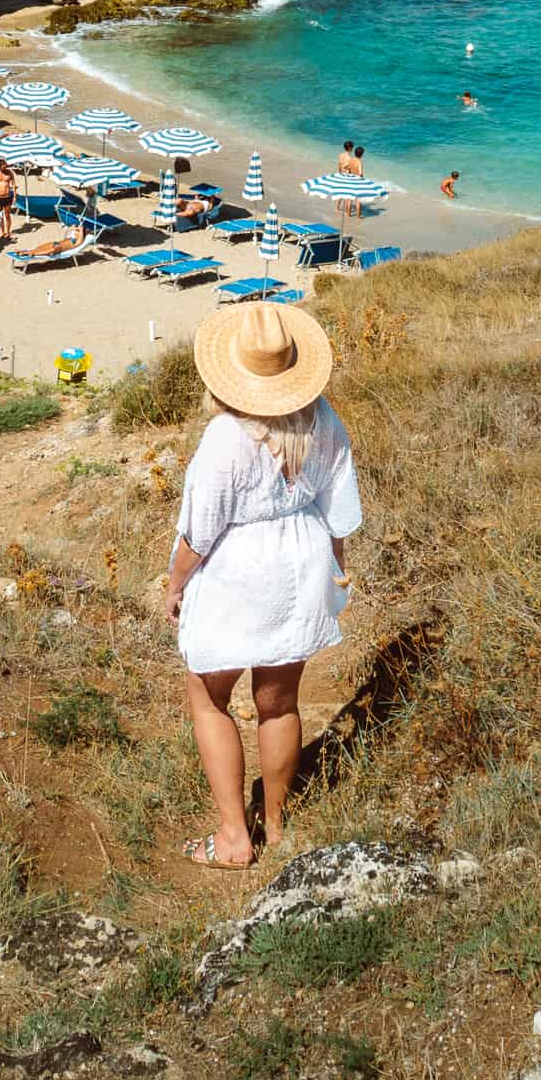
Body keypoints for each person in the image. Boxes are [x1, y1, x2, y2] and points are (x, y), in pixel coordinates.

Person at [165, 304, 359, 869]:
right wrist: (333, 567)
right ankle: (274, 825)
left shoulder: (226, 437)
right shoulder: (322, 419)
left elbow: (200, 533)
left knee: (208, 697)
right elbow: (339, 510)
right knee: (279, 702)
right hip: (300, 563)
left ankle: (232, 836)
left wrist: (175, 585)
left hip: (236, 572)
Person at [0, 157, 17, 242]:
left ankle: (8, 232)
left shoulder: (9, 172)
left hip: (7, 197)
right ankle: (2, 232)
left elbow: (13, 185)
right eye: (3, 166)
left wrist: (15, 196)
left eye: (5, 165)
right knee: (0, 216)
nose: (5, 167)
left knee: (7, 215)